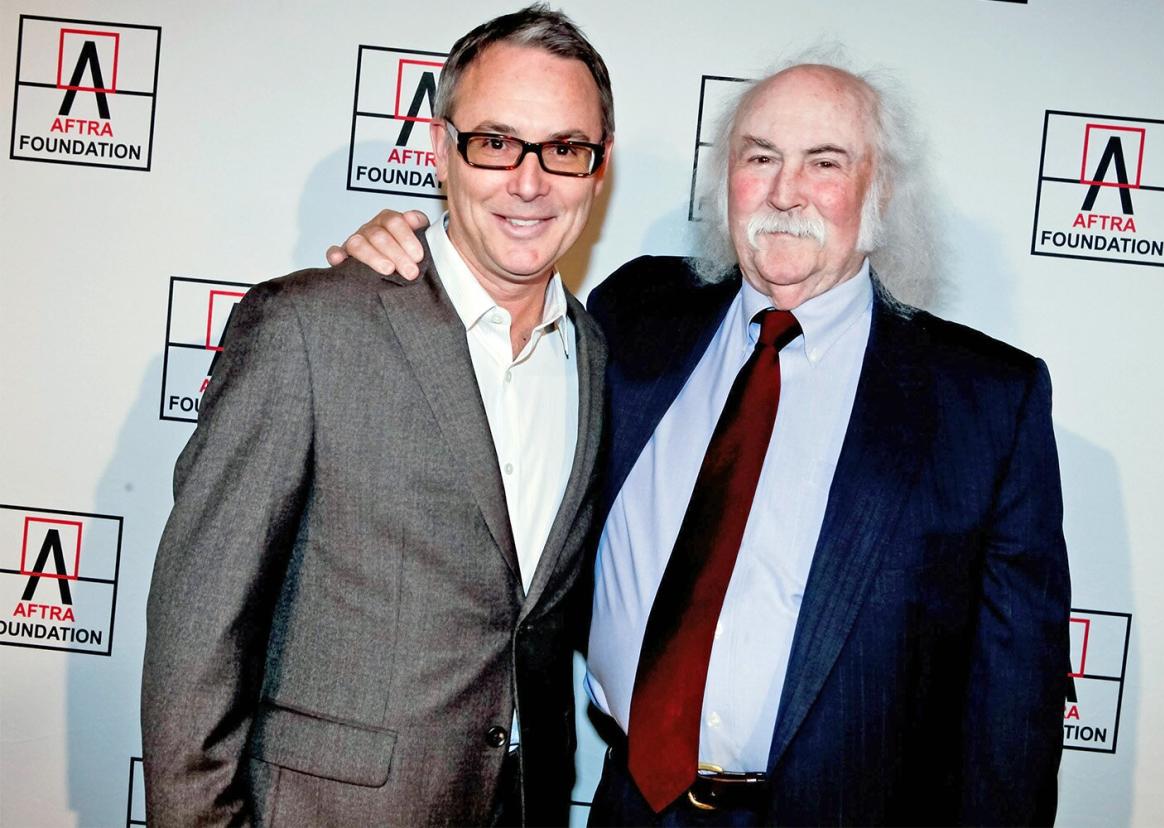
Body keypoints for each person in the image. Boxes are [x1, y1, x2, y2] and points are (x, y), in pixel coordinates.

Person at [331, 59, 1070, 828]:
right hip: (628, 807)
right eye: (759, 158)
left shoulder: (985, 401)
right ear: (726, 185)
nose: (785, 192)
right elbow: (493, 379)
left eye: (824, 163)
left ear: (879, 192)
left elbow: (1013, 710)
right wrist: (407, 270)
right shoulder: (636, 314)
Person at [141, 7, 611, 825]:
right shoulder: (310, 329)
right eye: (496, 142)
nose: (529, 182)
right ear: (439, 150)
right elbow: (196, 636)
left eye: (565, 150)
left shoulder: (598, 356)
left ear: (596, 172)